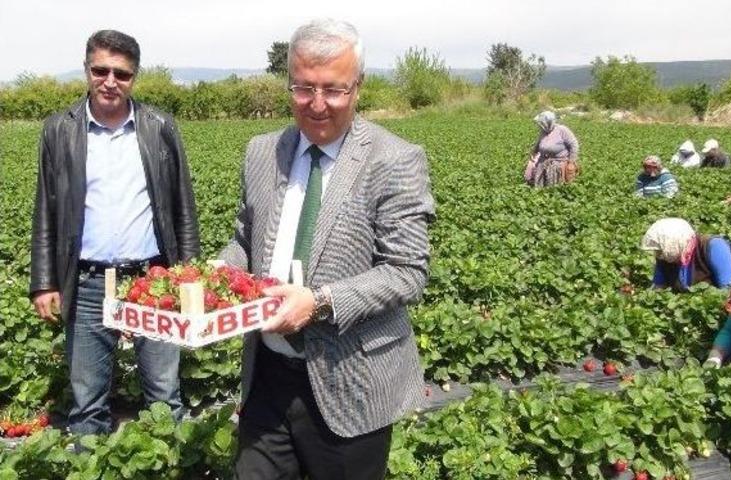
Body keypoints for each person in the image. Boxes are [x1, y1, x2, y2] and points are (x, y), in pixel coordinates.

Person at [218, 19, 434, 480]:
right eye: (304, 88)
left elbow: (406, 271)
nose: (317, 105)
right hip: (268, 375)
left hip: (350, 381)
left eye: (333, 90)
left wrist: (318, 303)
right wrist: (214, 276)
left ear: (359, 87)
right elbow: (244, 238)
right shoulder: (262, 151)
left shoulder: (393, 159)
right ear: (289, 84)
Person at [29, 30, 199, 435]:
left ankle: (174, 464)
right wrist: (43, 282)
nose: (110, 81)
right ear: (87, 70)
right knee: (87, 401)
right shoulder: (59, 130)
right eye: (101, 70)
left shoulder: (159, 127)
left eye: (121, 74)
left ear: (134, 77)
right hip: (87, 281)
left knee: (164, 393)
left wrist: (189, 274)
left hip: (154, 281)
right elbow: (45, 210)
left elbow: (183, 206)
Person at [640, 218, 731, 292]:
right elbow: (658, 287)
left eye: (661, 250)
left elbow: (729, 289)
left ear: (673, 243)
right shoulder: (666, 256)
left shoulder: (713, 246)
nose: (658, 255)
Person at [526, 111, 580, 186]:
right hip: (543, 163)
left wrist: (571, 162)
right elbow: (539, 143)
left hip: (558, 165)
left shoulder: (562, 130)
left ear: (548, 123)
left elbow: (574, 145)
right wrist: (534, 152)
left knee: (555, 189)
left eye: (542, 123)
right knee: (540, 189)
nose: (540, 125)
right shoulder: (543, 131)